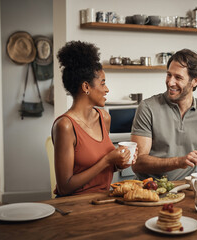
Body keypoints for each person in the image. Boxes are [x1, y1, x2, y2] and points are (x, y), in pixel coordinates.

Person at [131, 49, 197, 181]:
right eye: (169, 75)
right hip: (148, 189)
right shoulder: (148, 108)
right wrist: (178, 162)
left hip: (186, 189)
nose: (170, 82)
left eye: (178, 77)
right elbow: (138, 163)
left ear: (195, 81)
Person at [52, 41, 136, 196]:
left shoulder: (104, 118)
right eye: (102, 83)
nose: (107, 89)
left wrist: (120, 162)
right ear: (86, 87)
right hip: (74, 205)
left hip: (103, 200)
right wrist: (107, 160)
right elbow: (65, 187)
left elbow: (105, 169)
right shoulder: (65, 126)